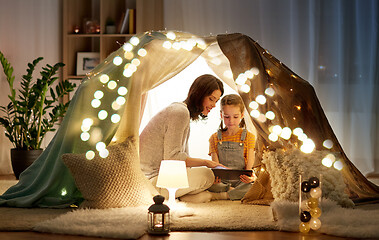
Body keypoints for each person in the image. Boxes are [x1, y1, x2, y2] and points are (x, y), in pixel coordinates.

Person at [139, 74, 226, 203]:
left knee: (211, 180)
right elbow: (173, 158)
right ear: (199, 94)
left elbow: (180, 157)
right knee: (207, 175)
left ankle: (184, 196)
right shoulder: (179, 113)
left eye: (216, 101)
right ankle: (211, 195)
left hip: (161, 178)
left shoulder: (182, 111)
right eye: (211, 99)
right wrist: (206, 162)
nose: (213, 105)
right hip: (153, 181)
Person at [207, 94, 257, 200]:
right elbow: (216, 165)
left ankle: (224, 195)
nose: (231, 121)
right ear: (221, 115)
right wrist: (216, 178)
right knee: (208, 183)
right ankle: (232, 193)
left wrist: (249, 178)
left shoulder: (249, 136)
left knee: (254, 187)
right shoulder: (214, 138)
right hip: (222, 181)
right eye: (227, 117)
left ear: (242, 115)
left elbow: (250, 163)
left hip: (241, 181)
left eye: (235, 117)